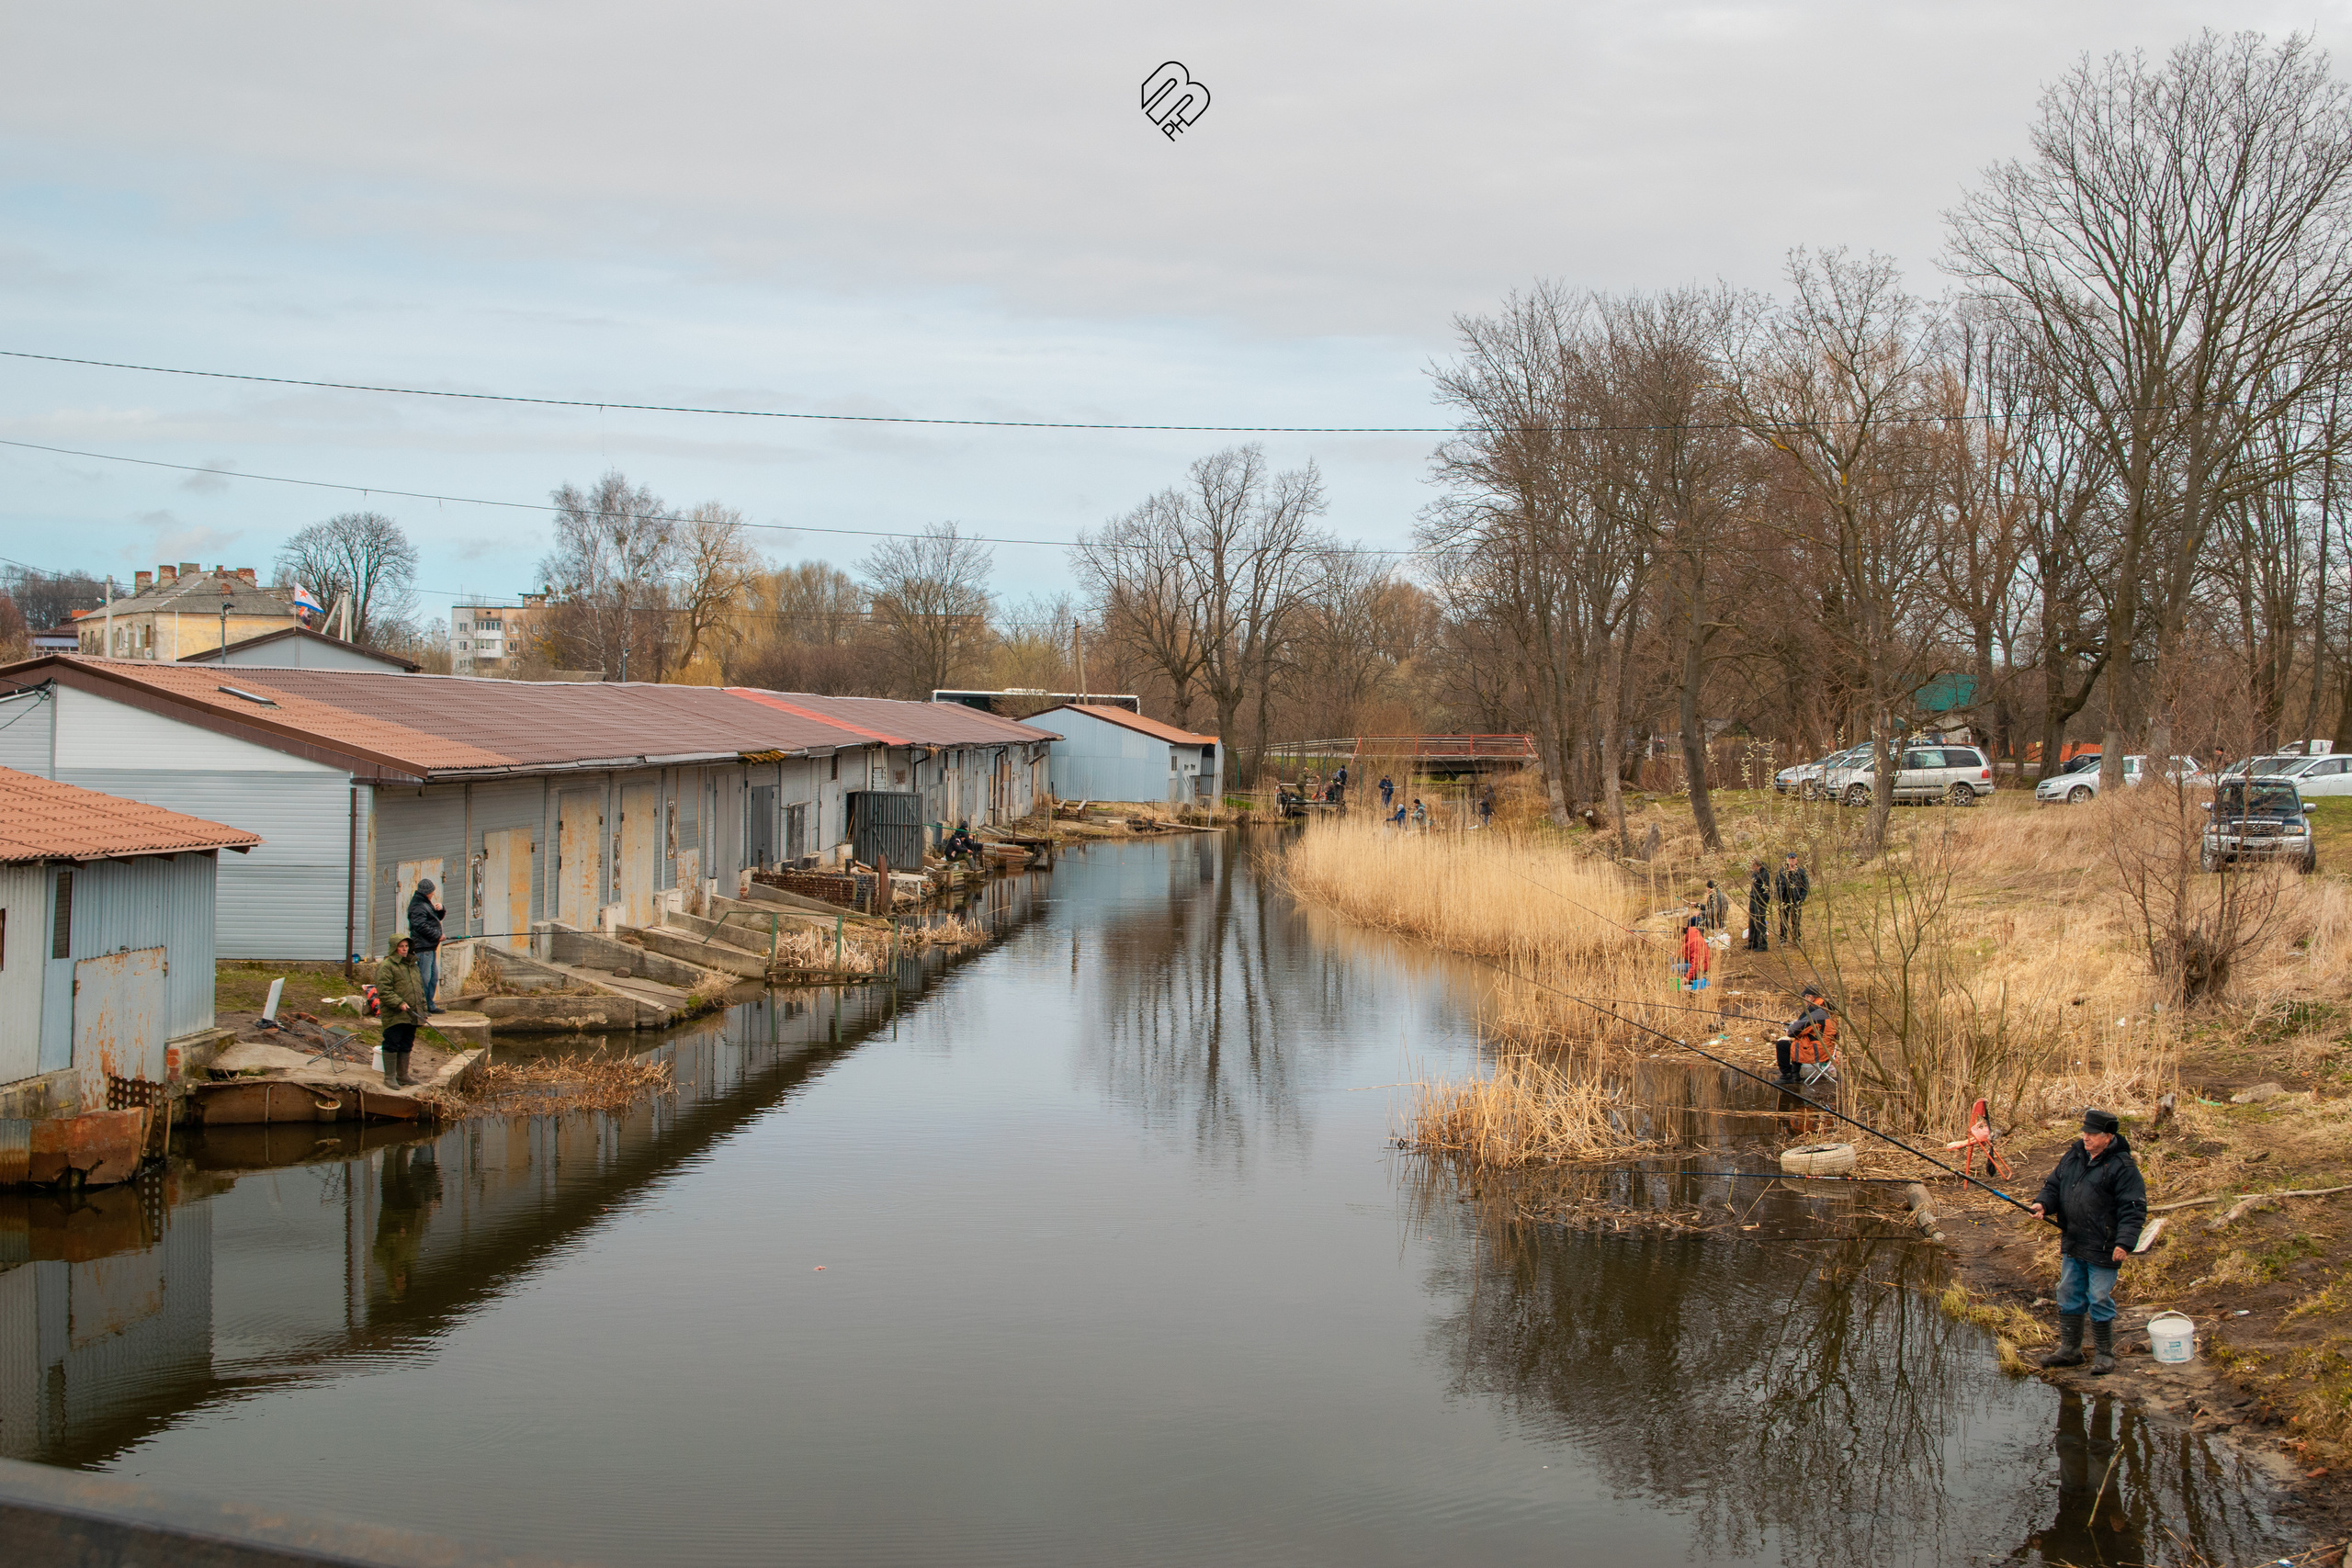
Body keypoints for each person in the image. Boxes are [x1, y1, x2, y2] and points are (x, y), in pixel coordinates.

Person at [2032, 1108, 2147, 1376]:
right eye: (2085, 1132)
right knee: (2067, 1292)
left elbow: (2133, 1209)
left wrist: (2124, 1243)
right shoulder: (2074, 1156)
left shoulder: (2123, 1167)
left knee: (2099, 1297)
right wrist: (2043, 1204)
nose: (2086, 1137)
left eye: (2092, 1134)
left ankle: (2104, 1354)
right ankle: (2070, 1351)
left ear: (2108, 1137)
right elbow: (2053, 1185)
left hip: (2104, 1245)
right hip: (2074, 1240)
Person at [374, 934, 426, 1088]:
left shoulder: (412, 966)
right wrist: (399, 1003)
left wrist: (423, 1010)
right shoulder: (386, 966)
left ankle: (403, 1075)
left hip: (412, 1013)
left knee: (407, 1043)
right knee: (392, 1042)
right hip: (395, 1014)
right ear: (394, 948)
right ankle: (389, 1077)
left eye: (406, 946)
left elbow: (419, 990)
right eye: (401, 946)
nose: (404, 949)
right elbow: (384, 991)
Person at [1774, 984, 1833, 1083]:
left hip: (1817, 1051)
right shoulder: (1827, 1008)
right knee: (1798, 1042)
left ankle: (1788, 1076)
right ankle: (1795, 1074)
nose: (1805, 1002)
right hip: (1829, 1049)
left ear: (1809, 997)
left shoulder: (1814, 1010)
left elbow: (1792, 1032)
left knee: (1782, 1045)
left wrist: (1789, 1029)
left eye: (1804, 999)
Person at [406, 878, 446, 1014]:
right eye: (432, 892)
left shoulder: (425, 903)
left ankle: (430, 1004)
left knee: (433, 978)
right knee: (424, 978)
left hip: (430, 947)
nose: (433, 894)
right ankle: (421, 1007)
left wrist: (441, 910)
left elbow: (433, 919)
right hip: (423, 948)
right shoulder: (418, 906)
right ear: (427, 892)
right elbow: (420, 926)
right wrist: (437, 935)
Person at [1776, 852, 1810, 944]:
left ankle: (1796, 938)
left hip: (1795, 900)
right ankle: (1783, 938)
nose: (1792, 860)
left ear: (1796, 860)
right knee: (1783, 920)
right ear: (1787, 860)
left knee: (1796, 920)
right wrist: (1778, 896)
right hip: (1784, 899)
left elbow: (1805, 887)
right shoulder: (1782, 871)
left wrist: (1801, 899)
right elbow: (1777, 884)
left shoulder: (1801, 872)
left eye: (1793, 859)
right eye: (1790, 859)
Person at [1679, 916, 1711, 991]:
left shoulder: (1695, 942)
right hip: (1697, 964)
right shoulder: (1691, 936)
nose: (1680, 941)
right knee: (1674, 959)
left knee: (1674, 968)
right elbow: (1686, 949)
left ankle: (1694, 981)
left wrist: (1687, 977)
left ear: (1682, 935)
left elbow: (1696, 963)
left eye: (1679, 938)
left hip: (1701, 967)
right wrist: (1678, 953)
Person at [1746, 861, 1771, 951]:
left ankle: (1763, 944)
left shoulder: (1765, 874)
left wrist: (1762, 901)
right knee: (1752, 922)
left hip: (1760, 901)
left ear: (1756, 865)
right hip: (1753, 899)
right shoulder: (1754, 873)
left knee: (1760, 922)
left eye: (1752, 866)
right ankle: (1752, 943)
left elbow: (1767, 889)